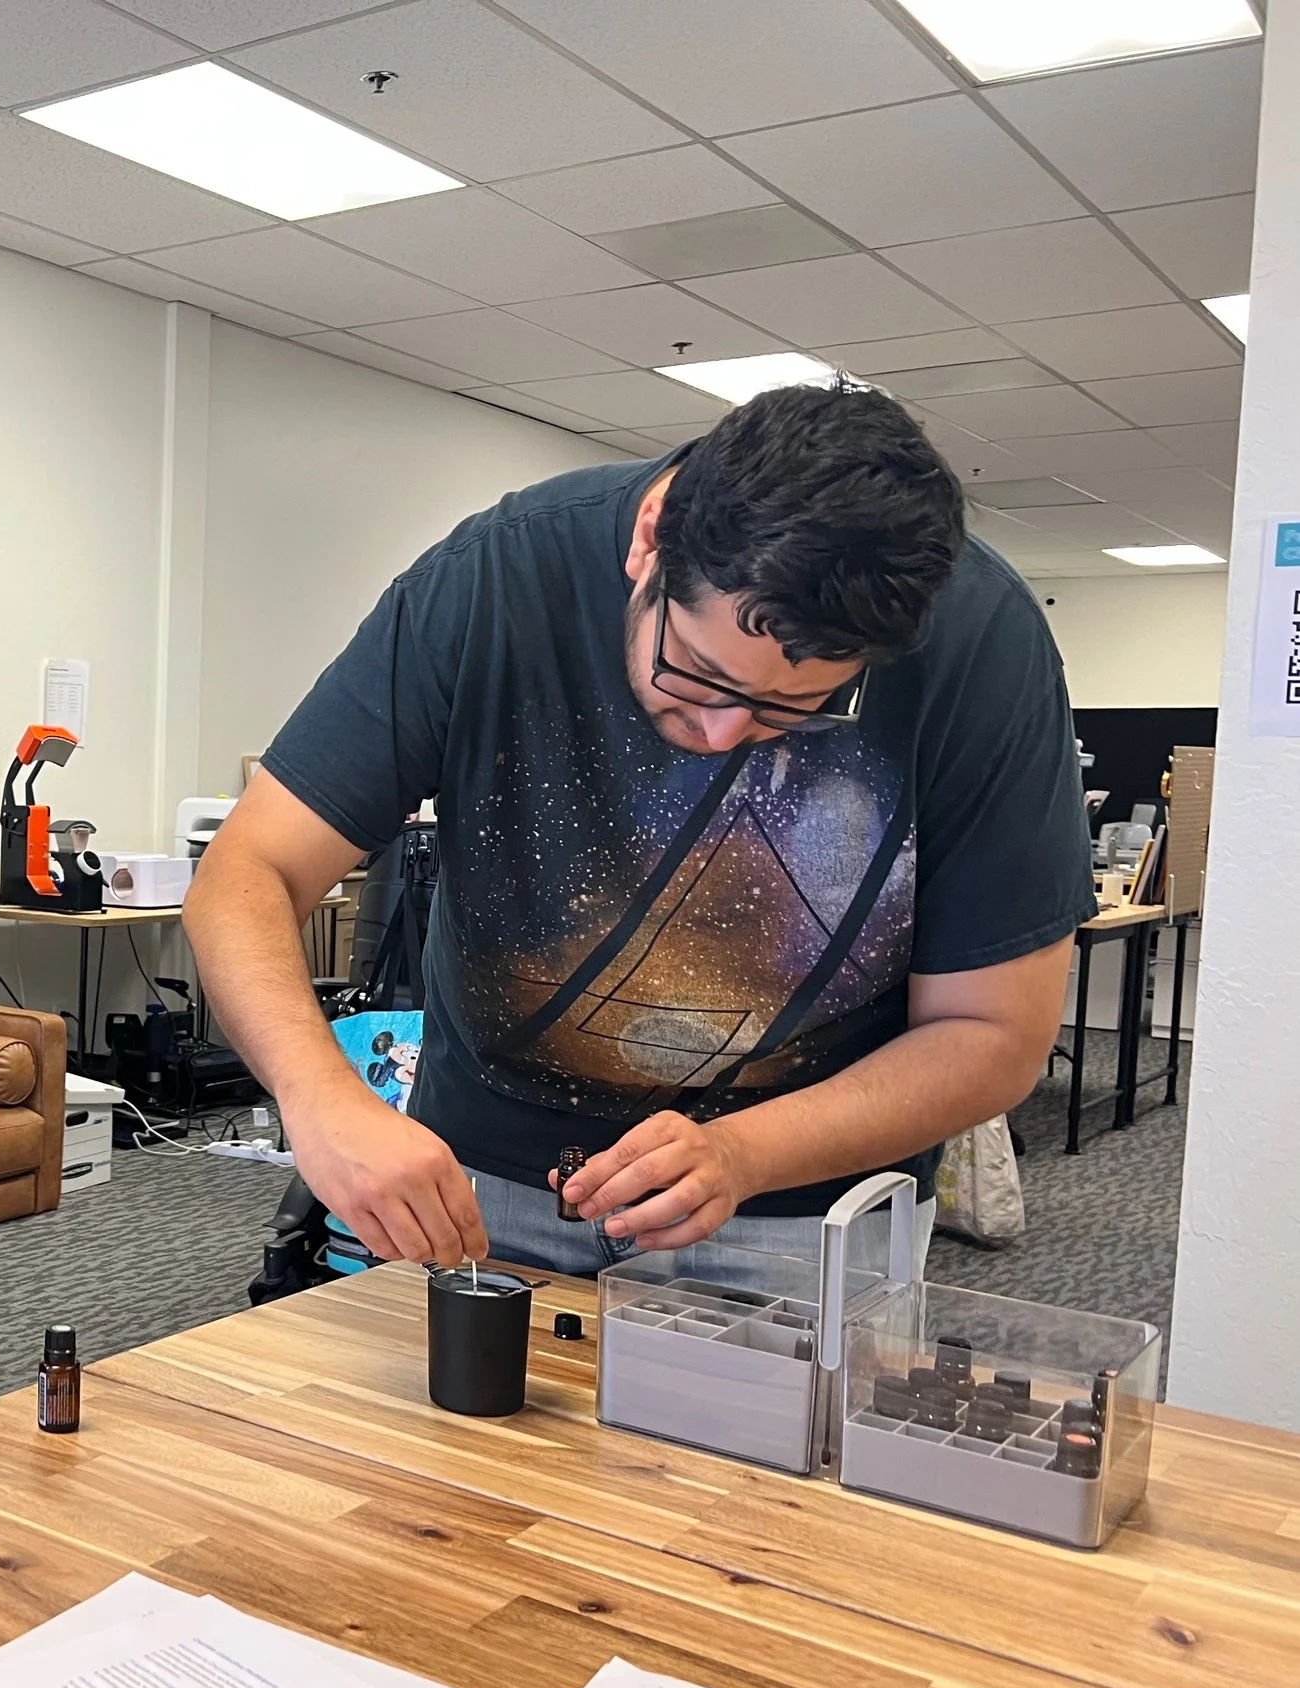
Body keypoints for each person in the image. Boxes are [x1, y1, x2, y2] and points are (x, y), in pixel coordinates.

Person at [185, 384, 1091, 1275]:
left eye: (798, 707)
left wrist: (746, 1153)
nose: (724, 735)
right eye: (697, 671)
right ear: (650, 536)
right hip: (479, 1186)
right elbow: (247, 874)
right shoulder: (497, 576)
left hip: (805, 1208)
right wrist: (322, 1100)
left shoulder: (984, 639)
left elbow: (993, 1032)